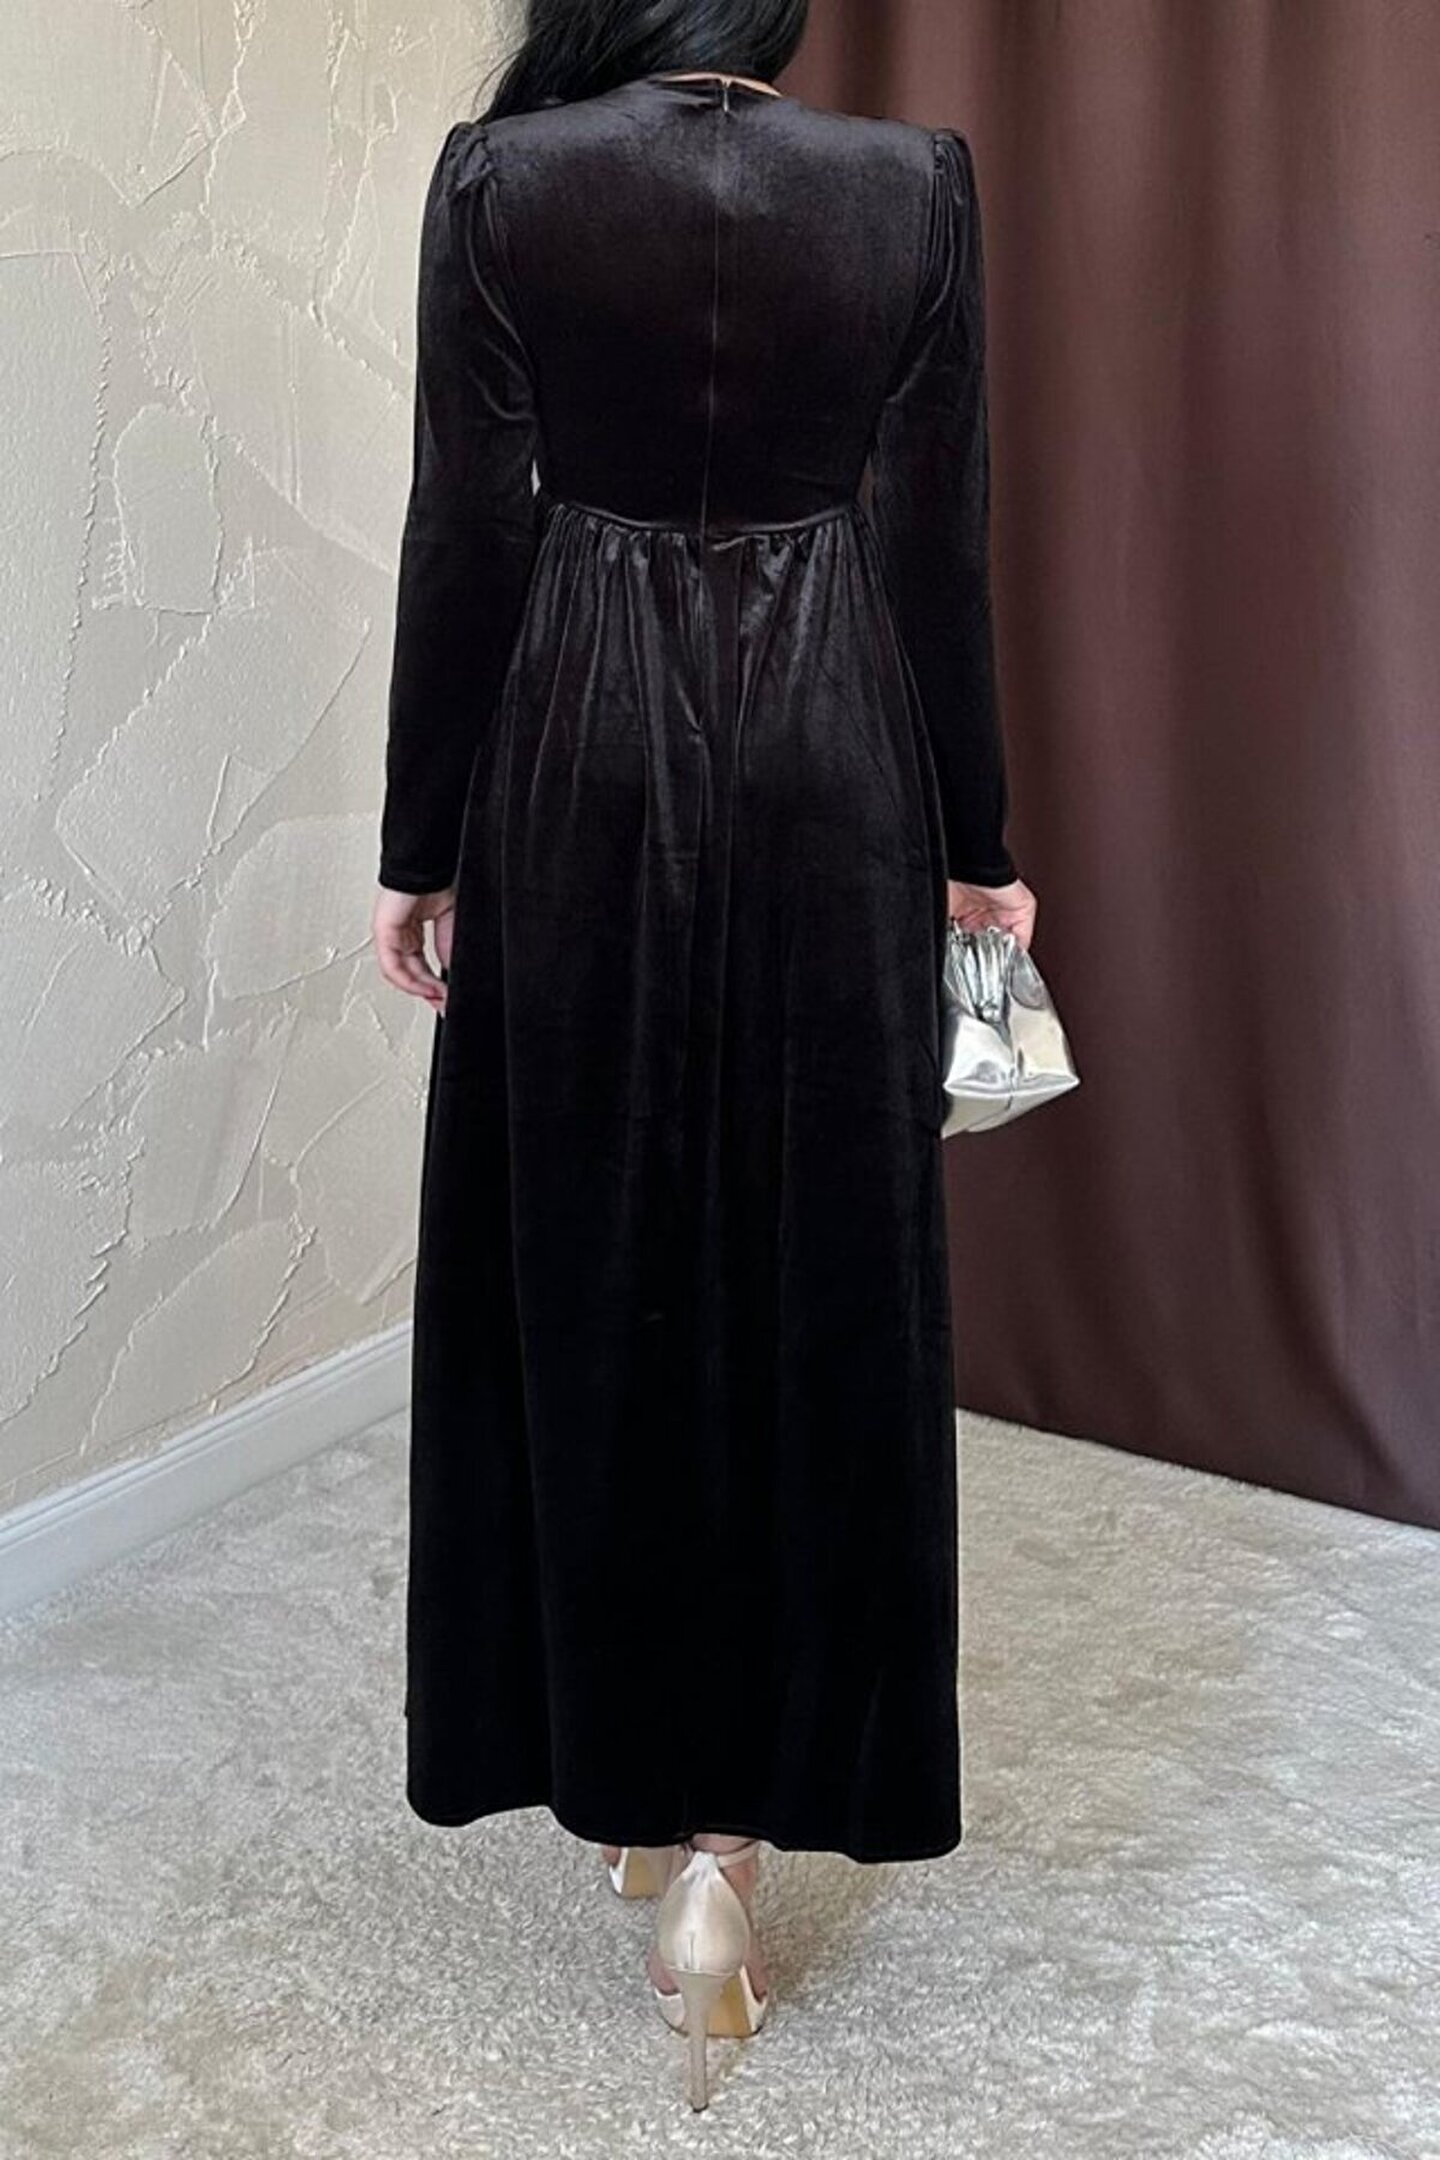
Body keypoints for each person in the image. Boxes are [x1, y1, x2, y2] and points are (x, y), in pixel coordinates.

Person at [371, 0, 1038, 2112]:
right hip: (837, 735)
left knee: (592, 1243)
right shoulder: (911, 185)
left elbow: (467, 523)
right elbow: (937, 540)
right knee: (809, 1257)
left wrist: (416, 845)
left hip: (575, 734)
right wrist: (979, 848)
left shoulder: (506, 181)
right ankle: (736, 1852)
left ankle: (636, 1787)